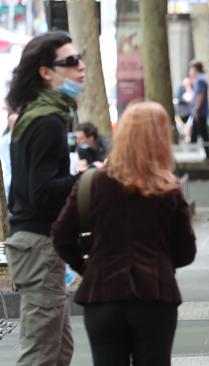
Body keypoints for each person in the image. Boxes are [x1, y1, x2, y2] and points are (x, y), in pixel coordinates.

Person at [51, 101, 197, 366]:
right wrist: (159, 263)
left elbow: (61, 236)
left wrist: (89, 267)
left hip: (102, 295)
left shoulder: (91, 183)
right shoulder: (168, 189)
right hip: (155, 296)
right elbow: (186, 251)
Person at [3, 31, 85, 366]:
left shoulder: (36, 115)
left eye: (80, 59)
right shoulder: (46, 121)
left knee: (59, 349)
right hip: (38, 247)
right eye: (70, 62)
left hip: (34, 244)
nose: (80, 67)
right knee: (41, 353)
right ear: (45, 72)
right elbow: (40, 193)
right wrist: (85, 179)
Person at [188, 60, 209, 160]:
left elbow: (200, 95)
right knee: (201, 133)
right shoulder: (202, 79)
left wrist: (196, 109)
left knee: (198, 133)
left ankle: (194, 154)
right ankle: (206, 154)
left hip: (199, 112)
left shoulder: (200, 80)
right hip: (201, 112)